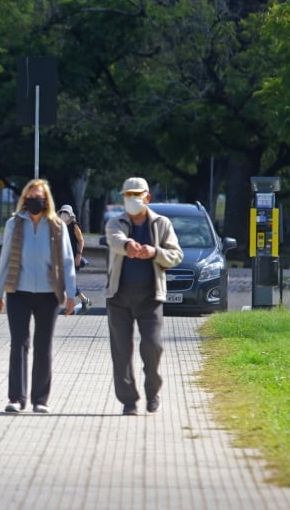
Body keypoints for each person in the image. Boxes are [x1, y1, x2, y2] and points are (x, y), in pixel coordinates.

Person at [0, 179, 76, 414]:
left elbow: (68, 261)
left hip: (49, 295)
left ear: (46, 199)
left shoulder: (57, 225)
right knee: (18, 344)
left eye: (38, 196)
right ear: (24, 199)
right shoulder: (14, 224)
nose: (34, 200)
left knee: (43, 345)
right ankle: (17, 398)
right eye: (30, 196)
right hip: (18, 292)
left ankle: (40, 399)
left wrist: (71, 293)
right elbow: (5, 259)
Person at [104, 177, 183, 416]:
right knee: (121, 350)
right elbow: (116, 241)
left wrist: (154, 252)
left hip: (150, 295)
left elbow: (175, 255)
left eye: (137, 195)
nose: (132, 199)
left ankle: (153, 391)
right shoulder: (115, 222)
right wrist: (129, 245)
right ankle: (129, 400)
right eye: (128, 195)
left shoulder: (161, 223)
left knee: (153, 345)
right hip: (119, 295)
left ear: (147, 197)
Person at [58, 204, 93, 314]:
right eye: (62, 212)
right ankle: (80, 302)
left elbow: (81, 240)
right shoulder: (59, 225)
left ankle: (82, 302)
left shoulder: (74, 225)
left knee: (67, 281)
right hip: (62, 257)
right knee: (65, 281)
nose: (64, 215)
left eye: (66, 213)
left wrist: (79, 254)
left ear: (70, 214)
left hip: (72, 257)